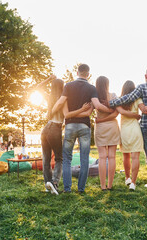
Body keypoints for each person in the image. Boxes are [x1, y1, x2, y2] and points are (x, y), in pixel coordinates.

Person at [52, 64, 113, 193]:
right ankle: (81, 189)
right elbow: (91, 110)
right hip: (85, 126)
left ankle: (67, 189)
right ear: (88, 74)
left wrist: (59, 112)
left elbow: (61, 103)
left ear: (77, 72)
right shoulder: (91, 88)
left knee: (67, 158)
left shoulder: (68, 86)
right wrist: (110, 110)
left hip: (69, 126)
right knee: (84, 159)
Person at [38, 75, 92, 195]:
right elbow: (68, 115)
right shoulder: (63, 100)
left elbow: (38, 88)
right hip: (55, 129)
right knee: (59, 158)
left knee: (46, 159)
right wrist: (82, 109)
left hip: (46, 128)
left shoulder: (49, 98)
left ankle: (48, 184)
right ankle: (55, 183)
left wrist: (48, 79)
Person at [114, 80, 144, 190]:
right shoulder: (137, 99)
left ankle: (127, 178)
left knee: (126, 155)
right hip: (135, 129)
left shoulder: (119, 100)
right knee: (135, 157)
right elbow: (143, 110)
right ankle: (133, 183)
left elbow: (121, 112)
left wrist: (131, 114)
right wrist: (136, 115)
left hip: (124, 131)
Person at [93, 76, 120, 191]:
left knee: (102, 157)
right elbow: (116, 114)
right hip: (112, 126)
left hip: (100, 128)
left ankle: (103, 186)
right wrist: (110, 112)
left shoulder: (94, 98)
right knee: (112, 156)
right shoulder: (113, 95)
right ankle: (110, 185)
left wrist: (100, 120)